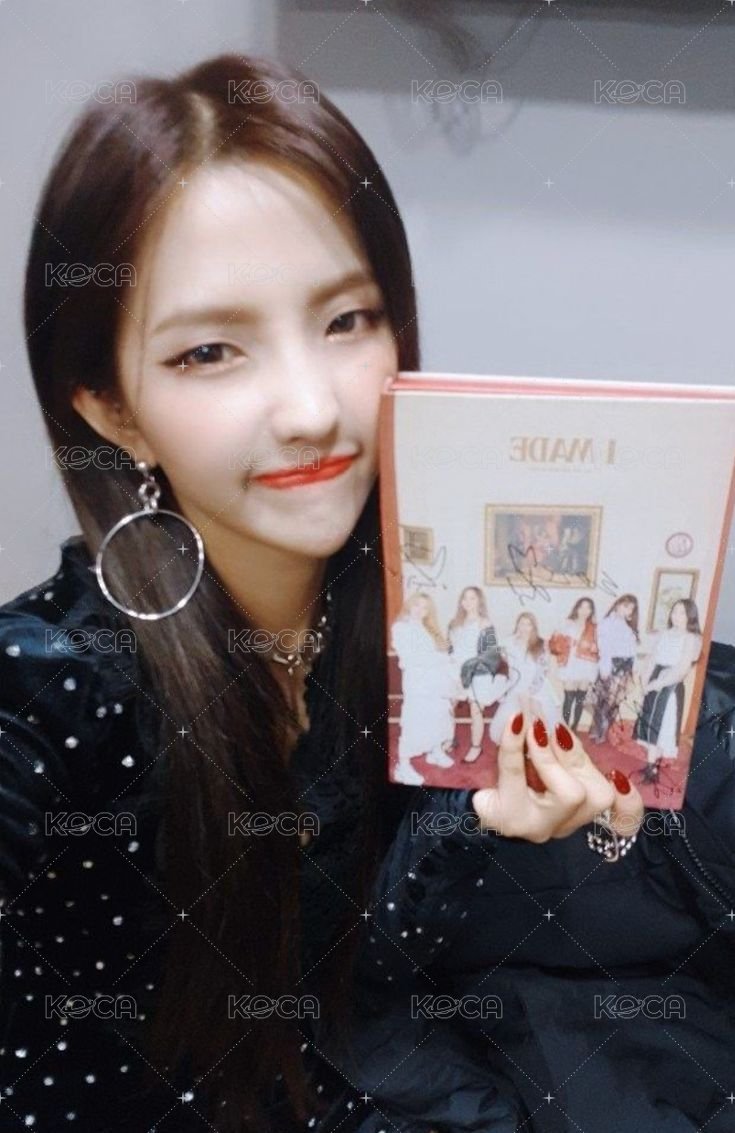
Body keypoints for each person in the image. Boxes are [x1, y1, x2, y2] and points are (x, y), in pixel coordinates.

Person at [0, 48, 730, 1133]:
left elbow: (397, 970)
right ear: (112, 408)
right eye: (210, 351)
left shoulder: (428, 599)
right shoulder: (50, 697)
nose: (311, 409)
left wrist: (570, 830)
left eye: (346, 321)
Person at [390, 592, 460, 782]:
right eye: (417, 605)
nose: (420, 610)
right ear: (409, 605)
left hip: (436, 681)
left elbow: (441, 653)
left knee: (438, 716)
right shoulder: (401, 628)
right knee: (415, 721)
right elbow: (411, 657)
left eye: (425, 608)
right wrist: (439, 660)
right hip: (417, 682)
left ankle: (435, 751)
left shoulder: (429, 628)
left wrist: (449, 666)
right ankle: (403, 765)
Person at [634, 598, 703, 778]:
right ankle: (651, 765)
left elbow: (681, 669)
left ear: (690, 616)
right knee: (649, 722)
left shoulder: (691, 638)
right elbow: (652, 659)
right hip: (655, 678)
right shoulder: (664, 634)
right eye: (674, 611)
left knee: (662, 724)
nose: (676, 616)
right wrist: (645, 681)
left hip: (670, 684)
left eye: (682, 612)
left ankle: (653, 768)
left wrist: (657, 684)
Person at [447, 586, 508, 764]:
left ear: (479, 601)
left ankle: (476, 746)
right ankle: (449, 738)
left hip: (477, 671)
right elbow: (450, 648)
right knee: (449, 707)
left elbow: (490, 655)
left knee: (476, 710)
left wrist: (470, 671)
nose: (468, 602)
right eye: (465, 598)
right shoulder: (454, 623)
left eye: (472, 598)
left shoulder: (485, 623)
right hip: (455, 670)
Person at [488, 612, 562, 746]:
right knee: (506, 721)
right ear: (517, 625)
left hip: (536, 684)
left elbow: (542, 671)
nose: (524, 627)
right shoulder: (509, 642)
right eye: (522, 623)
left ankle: (542, 734)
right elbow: (498, 658)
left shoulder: (540, 645)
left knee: (536, 705)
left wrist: (532, 689)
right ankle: (527, 736)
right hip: (515, 685)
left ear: (533, 627)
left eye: (528, 624)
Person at [588, 593, 640, 745]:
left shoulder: (628, 626)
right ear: (617, 605)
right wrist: (605, 668)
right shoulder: (606, 623)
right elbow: (604, 647)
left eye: (631, 608)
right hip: (611, 664)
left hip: (626, 666)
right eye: (625, 606)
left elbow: (632, 650)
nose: (628, 610)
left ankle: (602, 731)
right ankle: (599, 731)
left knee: (615, 701)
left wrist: (633, 669)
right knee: (605, 700)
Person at [549, 597, 600, 733]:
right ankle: (565, 728)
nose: (584, 611)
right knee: (568, 698)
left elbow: (599, 647)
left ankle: (574, 728)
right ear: (577, 608)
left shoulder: (594, 627)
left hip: (587, 664)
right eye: (582, 607)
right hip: (571, 663)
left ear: (591, 611)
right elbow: (554, 643)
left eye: (588, 608)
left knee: (580, 699)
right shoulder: (566, 623)